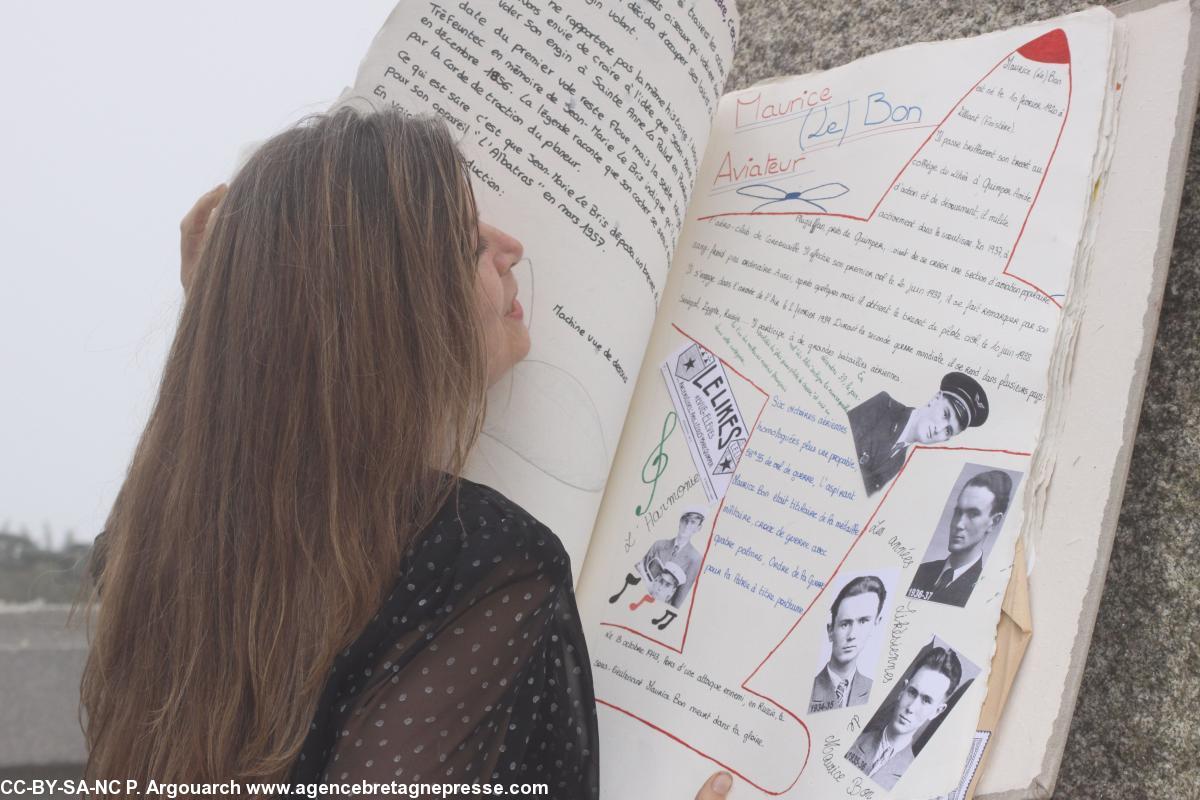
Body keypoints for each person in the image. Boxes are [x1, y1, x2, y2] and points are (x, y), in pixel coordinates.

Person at [78, 108, 733, 800]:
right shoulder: (485, 564)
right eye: (466, 243)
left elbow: (213, 454)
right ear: (403, 312)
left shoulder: (160, 550)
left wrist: (226, 323)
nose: (509, 248)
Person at [847, 371, 990, 496]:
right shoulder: (882, 406)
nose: (939, 429)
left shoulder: (898, 462)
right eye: (945, 414)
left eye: (948, 430)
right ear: (935, 399)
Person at [845, 646, 962, 790]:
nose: (911, 708)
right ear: (902, 690)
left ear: (937, 712)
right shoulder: (850, 738)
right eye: (912, 692)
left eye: (926, 700)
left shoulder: (915, 782)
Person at [907, 469, 1013, 607]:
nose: (959, 524)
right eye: (958, 512)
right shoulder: (921, 571)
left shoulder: (987, 590)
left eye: (973, 514)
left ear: (994, 522)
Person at [808, 576, 885, 714]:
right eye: (845, 624)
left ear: (875, 624)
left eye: (863, 621)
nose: (852, 635)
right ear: (830, 630)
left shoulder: (875, 693)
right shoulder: (807, 689)